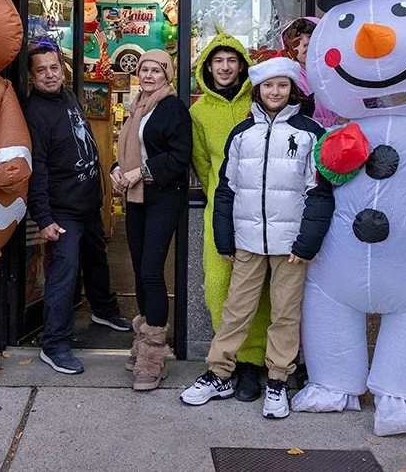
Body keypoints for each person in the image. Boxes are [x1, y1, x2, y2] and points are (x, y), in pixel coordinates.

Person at [180, 55, 333, 418]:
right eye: (268, 85)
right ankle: (219, 372)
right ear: (258, 89)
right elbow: (226, 190)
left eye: (282, 85)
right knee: (236, 311)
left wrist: (307, 242)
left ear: (292, 88)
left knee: (284, 313)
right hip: (248, 242)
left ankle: (278, 379)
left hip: (291, 247)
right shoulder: (242, 134)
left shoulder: (311, 132)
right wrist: (225, 238)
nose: (275, 91)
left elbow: (320, 192)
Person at [22, 39, 131, 375]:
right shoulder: (34, 113)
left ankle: (103, 308)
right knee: (63, 276)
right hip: (63, 210)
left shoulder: (68, 97)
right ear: (32, 76)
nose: (50, 75)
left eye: (54, 67)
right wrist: (44, 217)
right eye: (41, 71)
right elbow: (36, 168)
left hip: (87, 203)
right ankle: (54, 344)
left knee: (97, 261)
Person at [190, 30, 269, 402]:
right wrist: (218, 200)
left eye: (231, 60)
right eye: (218, 61)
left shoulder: (261, 103)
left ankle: (253, 363)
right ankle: (228, 362)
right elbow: (203, 164)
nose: (224, 67)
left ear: (242, 66)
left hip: (264, 209)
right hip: (220, 210)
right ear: (208, 67)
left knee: (260, 290)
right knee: (218, 286)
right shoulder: (199, 112)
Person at [111, 49, 192, 391]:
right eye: (143, 69)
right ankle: (142, 338)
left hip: (162, 196)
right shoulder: (136, 108)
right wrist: (117, 171)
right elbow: (126, 152)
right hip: (136, 197)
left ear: (167, 74)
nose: (147, 75)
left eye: (155, 70)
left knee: (150, 271)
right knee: (139, 273)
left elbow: (178, 157)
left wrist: (138, 173)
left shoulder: (172, 108)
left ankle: (153, 353)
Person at [278, 17, 340, 128]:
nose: (306, 43)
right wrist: (335, 121)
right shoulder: (289, 81)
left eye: (311, 36)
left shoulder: (341, 73)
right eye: (298, 39)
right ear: (288, 48)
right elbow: (294, 120)